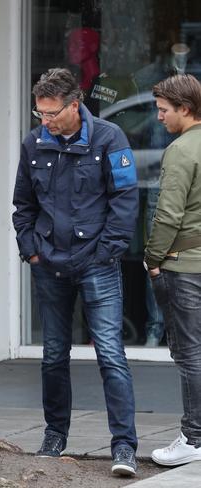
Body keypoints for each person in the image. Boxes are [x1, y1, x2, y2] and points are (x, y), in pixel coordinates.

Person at [12, 68, 139, 476]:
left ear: (75, 103)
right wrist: (31, 251)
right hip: (50, 264)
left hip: (97, 263)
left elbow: (125, 199)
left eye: (51, 113)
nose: (44, 121)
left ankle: (123, 446)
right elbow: (24, 206)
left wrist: (107, 252)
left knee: (110, 355)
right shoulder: (33, 143)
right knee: (52, 356)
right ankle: (54, 436)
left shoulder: (109, 138)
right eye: (40, 113)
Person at [146, 74, 201, 466]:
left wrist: (151, 258)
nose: (159, 117)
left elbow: (168, 214)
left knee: (190, 354)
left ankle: (194, 438)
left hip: (185, 265)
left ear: (185, 109)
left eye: (165, 110)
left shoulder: (181, 150)